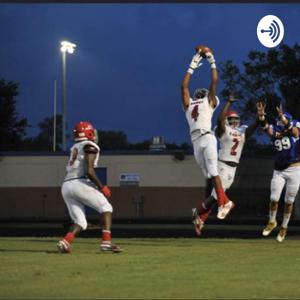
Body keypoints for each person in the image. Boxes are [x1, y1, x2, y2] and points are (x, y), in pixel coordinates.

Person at [181, 45, 235, 225]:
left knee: (212, 171)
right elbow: (185, 87)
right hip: (196, 141)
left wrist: (210, 59)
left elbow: (212, 82)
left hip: (207, 137)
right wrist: (195, 60)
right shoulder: (190, 104)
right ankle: (221, 202)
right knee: (209, 174)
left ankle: (223, 203)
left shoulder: (208, 101)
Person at [192, 94, 259, 235]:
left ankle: (198, 216)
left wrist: (260, 118)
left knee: (214, 197)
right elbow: (219, 120)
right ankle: (224, 204)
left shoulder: (242, 131)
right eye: (231, 119)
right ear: (227, 121)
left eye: (236, 119)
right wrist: (228, 103)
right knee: (218, 196)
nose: (234, 122)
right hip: (222, 165)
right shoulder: (224, 129)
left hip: (233, 168)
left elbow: (253, 128)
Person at [57, 121, 122, 253]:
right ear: (89, 132)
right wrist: (102, 187)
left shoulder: (75, 146)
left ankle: (65, 242)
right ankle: (106, 242)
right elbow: (89, 171)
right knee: (106, 207)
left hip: (66, 185)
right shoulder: (89, 145)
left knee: (81, 222)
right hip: (79, 182)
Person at [257, 101, 300, 242]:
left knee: (289, 201)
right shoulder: (276, 130)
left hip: (295, 168)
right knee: (274, 198)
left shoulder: (294, 127)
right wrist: (262, 117)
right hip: (279, 169)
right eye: (280, 121)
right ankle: (272, 221)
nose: (280, 123)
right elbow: (267, 129)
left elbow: (295, 132)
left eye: (283, 120)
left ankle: (284, 227)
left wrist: (284, 119)